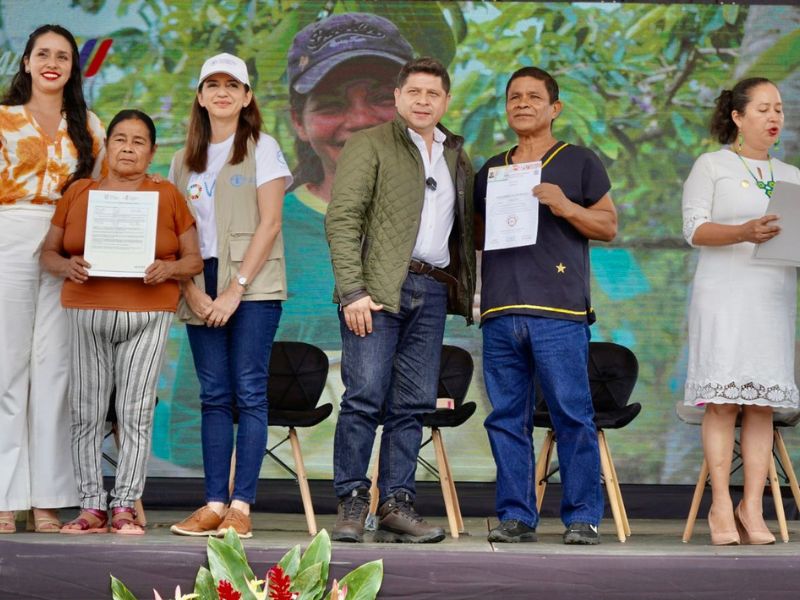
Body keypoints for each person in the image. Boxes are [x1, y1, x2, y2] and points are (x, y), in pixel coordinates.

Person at [325, 57, 475, 543]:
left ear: (446, 101)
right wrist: (352, 291)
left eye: (433, 94)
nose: (423, 101)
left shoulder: (456, 153)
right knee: (365, 397)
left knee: (411, 405)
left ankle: (397, 504)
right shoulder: (369, 143)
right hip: (375, 291)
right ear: (397, 98)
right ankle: (352, 502)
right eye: (414, 92)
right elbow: (342, 219)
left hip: (431, 289)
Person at [40, 109, 202, 535]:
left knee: (134, 413)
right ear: (106, 146)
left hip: (147, 316)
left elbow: (193, 259)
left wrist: (168, 271)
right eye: (120, 140)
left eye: (138, 141)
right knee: (87, 413)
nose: (128, 148)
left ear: (151, 151)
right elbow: (48, 253)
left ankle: (125, 505)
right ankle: (92, 506)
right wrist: (65, 266)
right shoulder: (80, 192)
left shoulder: (166, 194)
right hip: (86, 312)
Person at [475, 67, 618, 545]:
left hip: (559, 313)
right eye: (514, 96)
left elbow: (609, 226)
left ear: (554, 108)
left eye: (534, 97)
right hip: (499, 312)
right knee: (505, 418)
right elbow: (475, 236)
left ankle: (582, 516)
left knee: (571, 414)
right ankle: (517, 514)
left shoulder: (578, 162)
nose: (522, 104)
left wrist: (566, 206)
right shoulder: (491, 169)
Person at [168, 53, 292, 540]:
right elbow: (175, 234)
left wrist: (235, 289)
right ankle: (214, 503)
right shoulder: (183, 160)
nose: (222, 92)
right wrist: (192, 290)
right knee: (214, 396)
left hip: (253, 283)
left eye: (232, 85)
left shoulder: (264, 147)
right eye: (212, 84)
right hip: (201, 281)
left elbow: (271, 223)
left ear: (247, 97)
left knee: (248, 391)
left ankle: (242, 506)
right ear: (200, 96)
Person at [682, 77, 799, 545]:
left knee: (761, 405)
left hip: (772, 298)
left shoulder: (793, 174)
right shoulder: (712, 166)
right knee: (724, 401)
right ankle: (722, 507)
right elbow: (694, 230)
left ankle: (753, 507)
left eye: (779, 110)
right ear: (737, 116)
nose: (774, 118)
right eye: (763, 109)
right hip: (724, 295)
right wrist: (743, 232)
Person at [0, 24, 104, 534]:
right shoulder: (1, 118)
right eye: (43, 53)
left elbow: (104, 194)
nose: (52, 62)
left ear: (72, 67)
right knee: (6, 370)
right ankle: (3, 497)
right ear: (25, 62)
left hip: (69, 246)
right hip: (9, 237)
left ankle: (46, 499)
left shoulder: (90, 125)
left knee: (55, 372)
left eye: (62, 56)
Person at [282, 12, 414, 347]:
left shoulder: (460, 216)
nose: (360, 120)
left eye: (382, 98)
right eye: (331, 104)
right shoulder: (264, 229)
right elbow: (198, 391)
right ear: (299, 121)